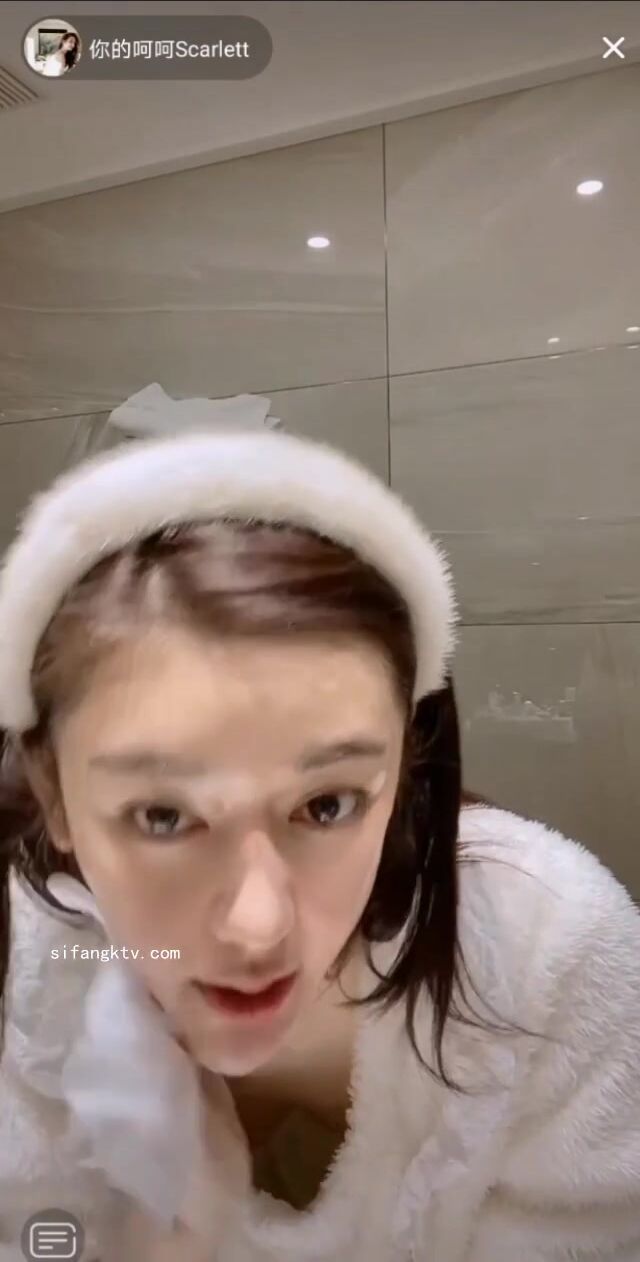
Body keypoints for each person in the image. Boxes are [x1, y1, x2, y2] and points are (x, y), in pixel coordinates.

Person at [0, 420, 639, 1262]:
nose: (257, 926)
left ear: (405, 762)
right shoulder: (24, 972)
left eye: (328, 803)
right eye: (163, 817)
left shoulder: (546, 954)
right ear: (53, 792)